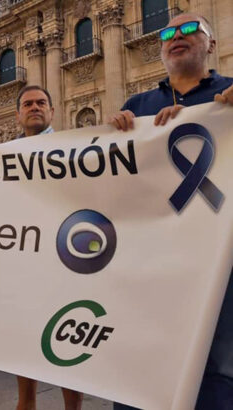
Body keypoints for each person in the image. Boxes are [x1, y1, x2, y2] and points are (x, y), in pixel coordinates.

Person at [108, 13, 233, 410]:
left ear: (211, 45)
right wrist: (113, 136)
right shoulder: (138, 105)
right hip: (154, 265)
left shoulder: (229, 93)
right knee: (142, 362)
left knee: (218, 372)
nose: (176, 36)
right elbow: (115, 183)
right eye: (167, 33)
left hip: (220, 271)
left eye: (189, 29)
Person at [13, 85, 84, 410]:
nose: (35, 107)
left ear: (53, 111)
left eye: (41, 102)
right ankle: (25, 404)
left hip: (65, 258)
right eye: (28, 104)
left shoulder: (72, 149)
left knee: (68, 337)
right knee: (25, 337)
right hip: (23, 258)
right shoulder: (4, 155)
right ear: (18, 114)